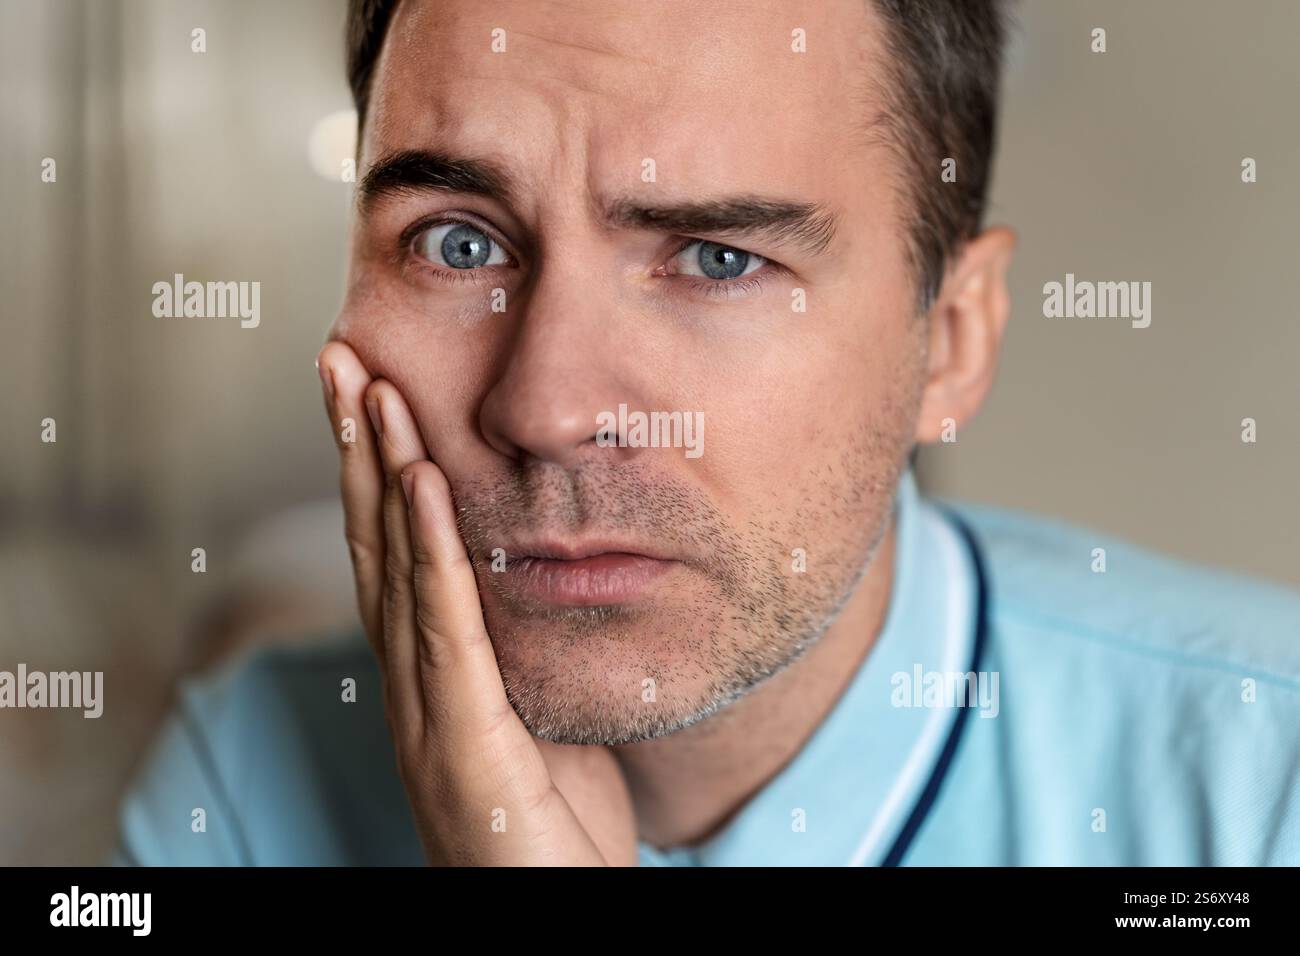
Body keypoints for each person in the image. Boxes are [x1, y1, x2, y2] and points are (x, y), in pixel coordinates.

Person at [113, 0, 1300, 866]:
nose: (545, 408)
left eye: (718, 258)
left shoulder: (1262, 788)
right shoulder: (246, 781)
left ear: (950, 341)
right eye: (457, 242)